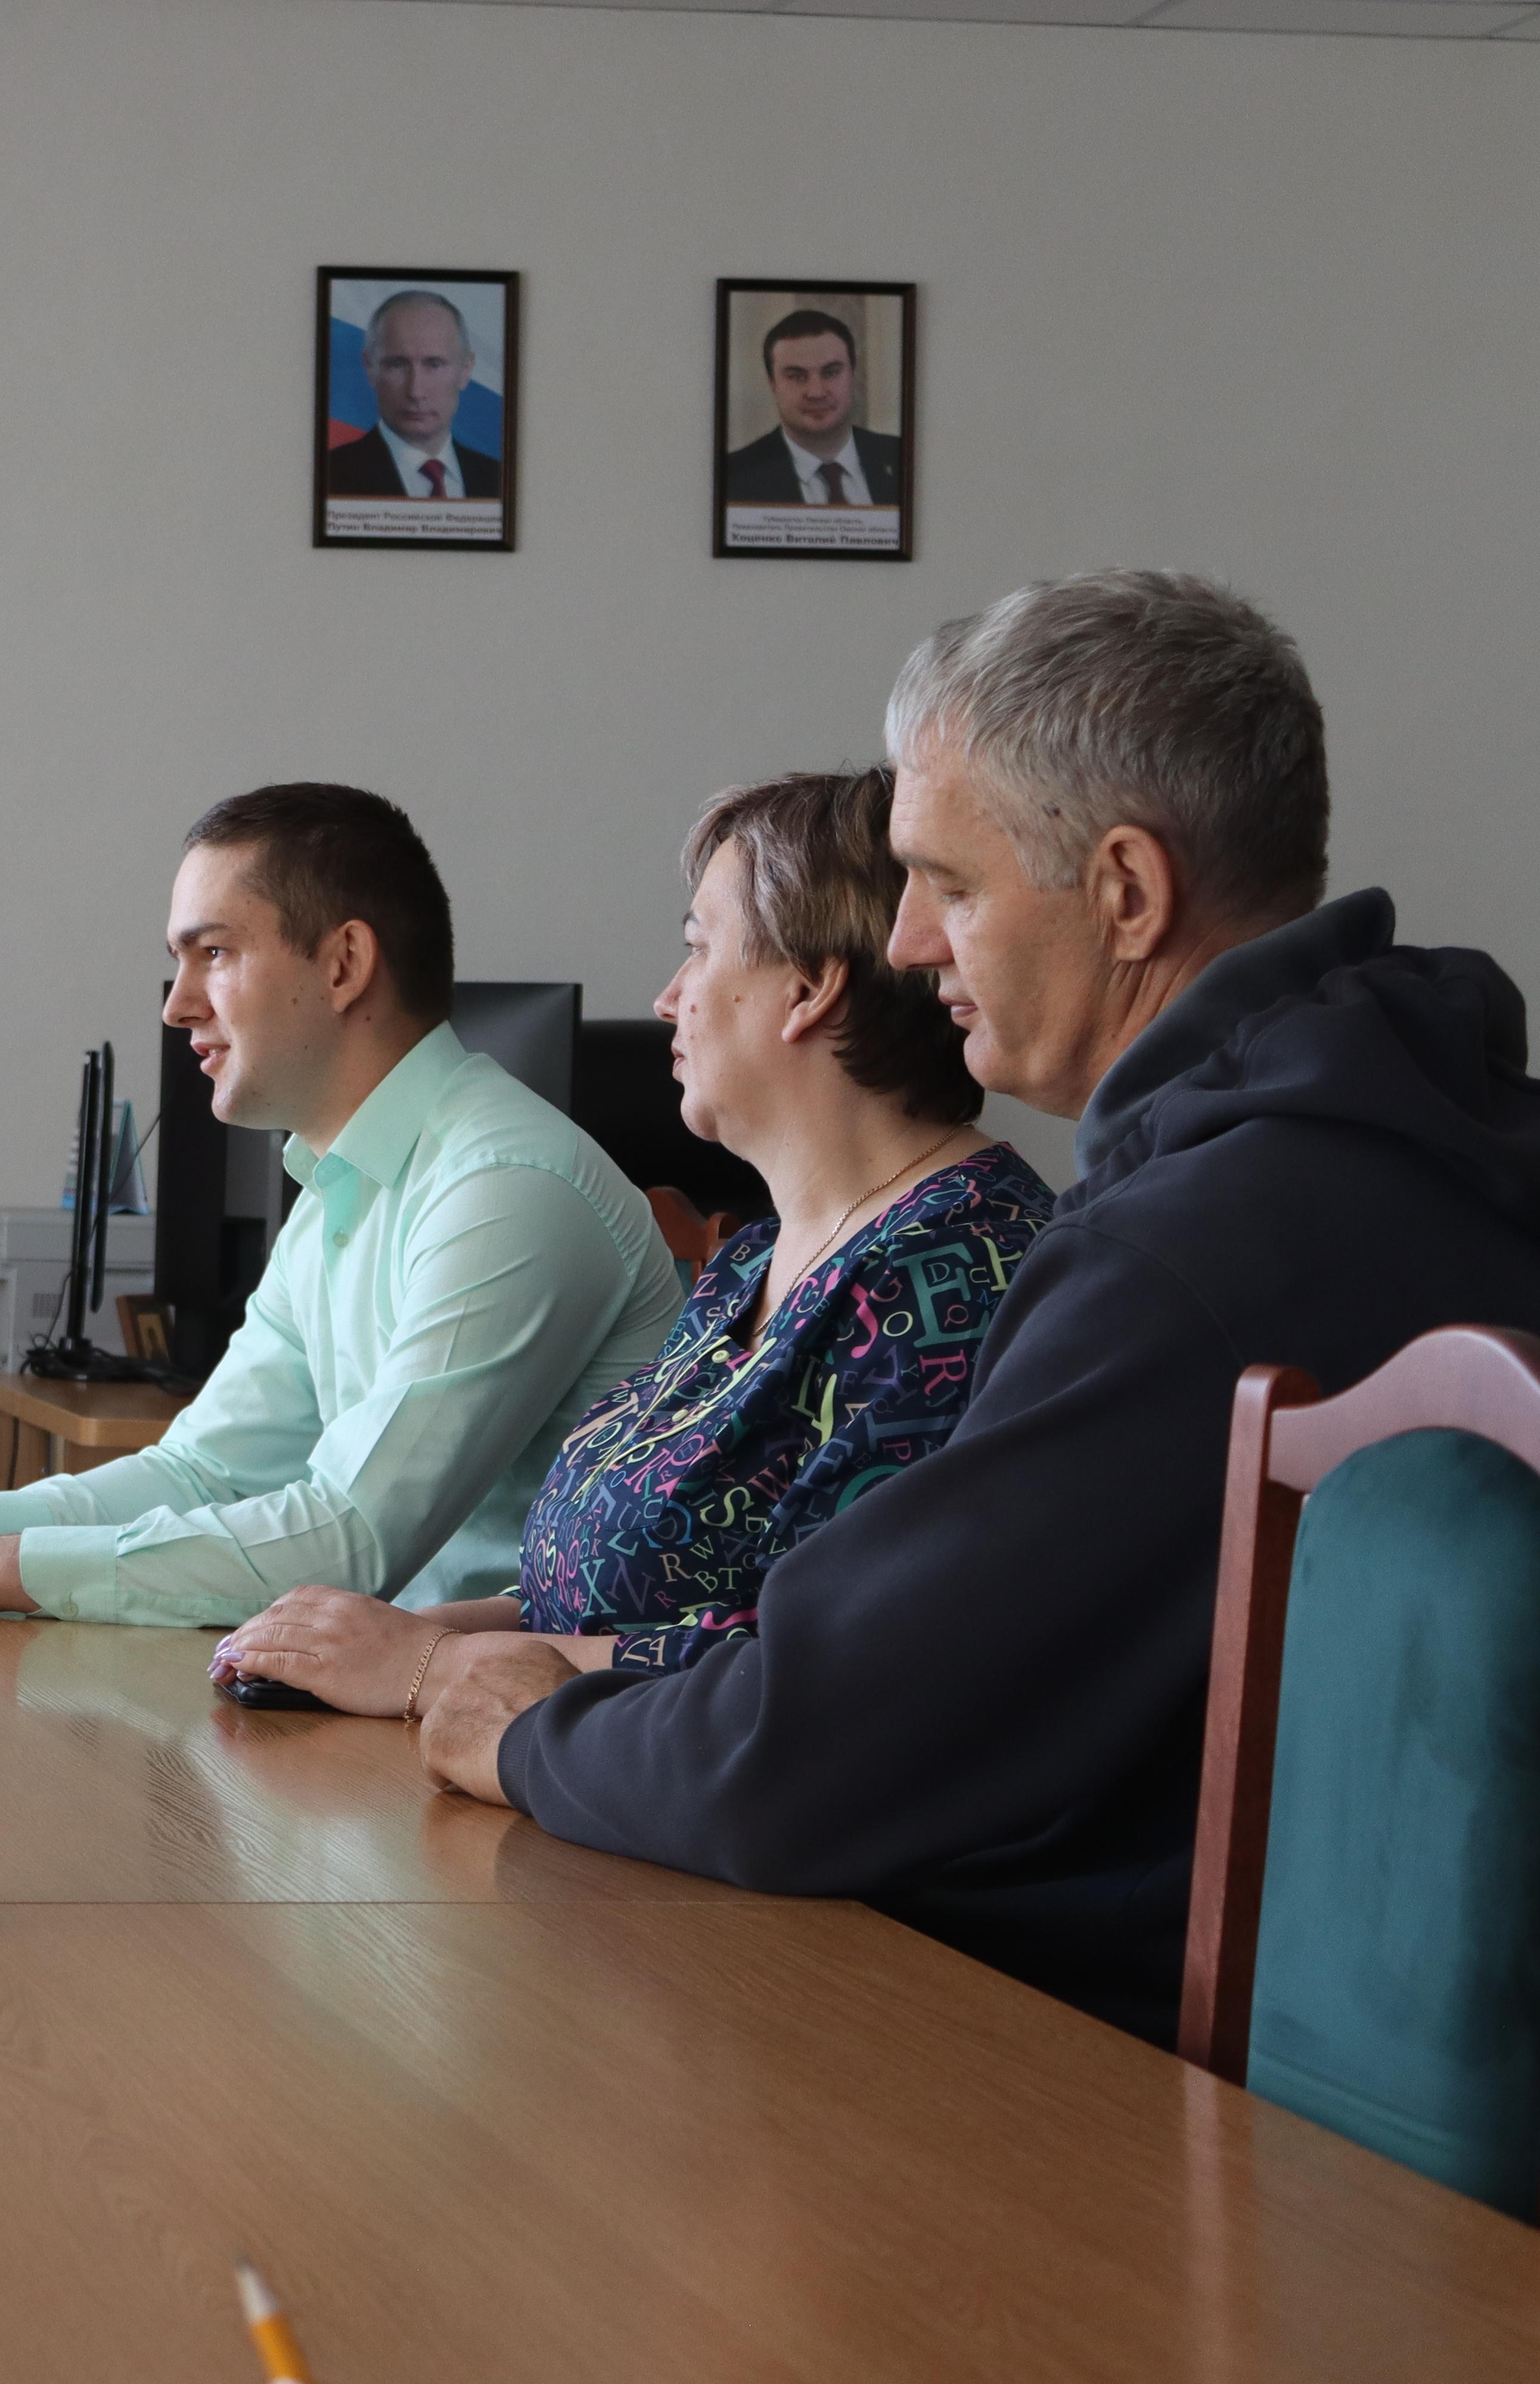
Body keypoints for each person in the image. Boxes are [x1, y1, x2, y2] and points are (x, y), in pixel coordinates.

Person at [415, 570, 1540, 2043]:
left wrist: (533, 1737)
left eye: (949, 882)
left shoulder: (1187, 1253)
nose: (908, 945)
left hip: (1126, 2095)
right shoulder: (1430, 1127)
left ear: (1127, 893)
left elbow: (820, 1753)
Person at [0, 783, 679, 1625]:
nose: (177, 1005)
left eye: (213, 953)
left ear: (343, 965)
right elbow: (204, 1475)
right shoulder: (342, 1186)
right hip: (385, 1708)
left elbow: (352, 1538)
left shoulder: (507, 1187)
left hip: (515, 1737)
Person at [208, 768, 1052, 1714]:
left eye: (699, 950)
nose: (667, 997)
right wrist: (379, 1638)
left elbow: (818, 1664)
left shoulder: (958, 1271)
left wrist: (424, 1668)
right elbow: (610, 1602)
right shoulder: (749, 1264)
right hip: (566, 1776)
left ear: (808, 989)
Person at [325, 291, 507, 502]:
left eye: (434, 365)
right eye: (397, 365)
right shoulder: (330, 476)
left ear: (466, 370)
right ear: (369, 368)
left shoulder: (499, 479)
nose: (416, 392)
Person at [721, 307, 905, 509]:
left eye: (831, 373)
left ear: (852, 374)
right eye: (797, 376)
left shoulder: (903, 458)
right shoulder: (733, 476)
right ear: (772, 384)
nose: (816, 393)